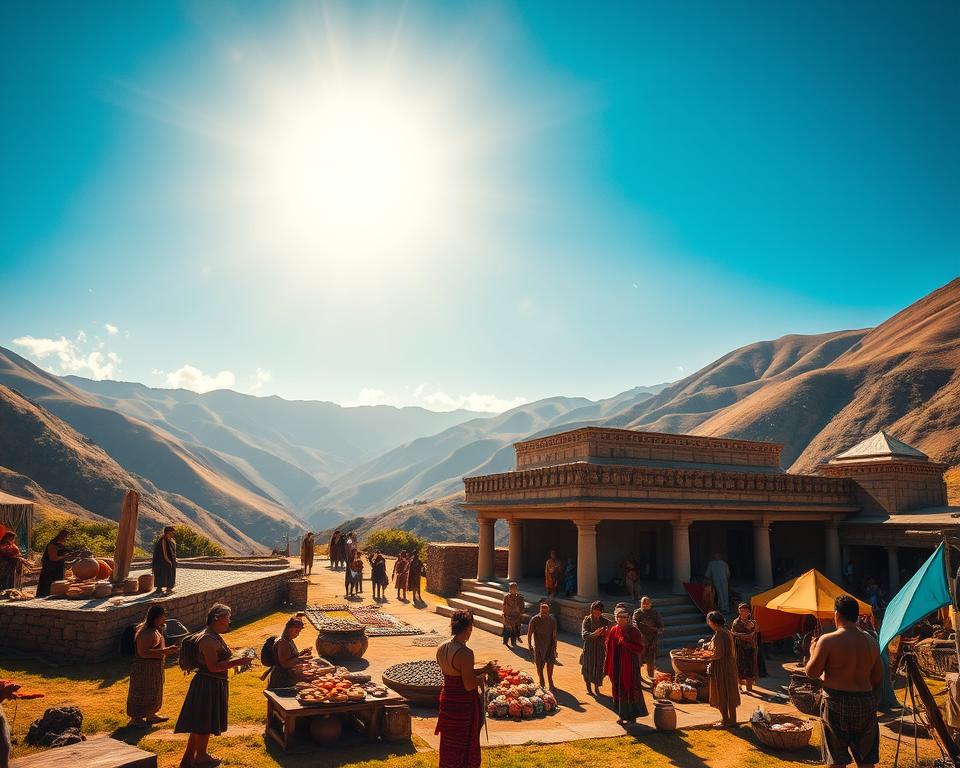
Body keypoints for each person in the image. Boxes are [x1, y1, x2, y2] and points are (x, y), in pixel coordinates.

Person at [805, 595, 882, 768]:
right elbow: (877, 677)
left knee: (837, 761)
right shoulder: (871, 642)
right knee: (866, 761)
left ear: (837, 614)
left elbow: (812, 672)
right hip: (865, 701)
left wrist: (812, 651)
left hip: (836, 703)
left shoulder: (828, 640)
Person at [175, 603, 249, 767]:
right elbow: (213, 667)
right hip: (207, 685)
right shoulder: (207, 639)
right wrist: (239, 662)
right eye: (227, 618)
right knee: (203, 722)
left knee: (201, 721)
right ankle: (201, 757)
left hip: (212, 683)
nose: (229, 621)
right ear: (217, 618)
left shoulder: (214, 635)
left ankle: (188, 758)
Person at [435, 610, 497, 768]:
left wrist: (483, 669)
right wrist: (481, 679)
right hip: (462, 704)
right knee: (465, 744)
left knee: (449, 744)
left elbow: (455, 673)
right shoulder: (466, 653)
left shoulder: (441, 647)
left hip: (447, 700)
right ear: (469, 628)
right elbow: (468, 684)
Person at [126, 604, 178, 726]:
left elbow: (158, 648)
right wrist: (164, 651)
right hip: (144, 669)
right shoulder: (145, 632)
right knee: (141, 692)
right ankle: (136, 719)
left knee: (154, 691)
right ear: (156, 617)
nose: (164, 619)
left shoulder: (155, 629)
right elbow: (143, 652)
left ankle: (151, 715)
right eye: (163, 617)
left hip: (154, 668)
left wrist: (168, 650)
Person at [604, 607, 648, 724]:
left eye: (624, 617)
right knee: (617, 688)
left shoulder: (634, 631)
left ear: (628, 618)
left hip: (629, 666)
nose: (622, 619)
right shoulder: (614, 629)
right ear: (616, 618)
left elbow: (639, 648)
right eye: (619, 617)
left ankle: (632, 716)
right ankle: (621, 715)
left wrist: (626, 644)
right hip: (617, 664)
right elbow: (609, 646)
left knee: (629, 688)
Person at [703, 610, 740, 728]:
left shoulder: (719, 634)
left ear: (711, 622)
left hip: (721, 667)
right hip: (729, 666)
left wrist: (707, 656)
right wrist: (709, 646)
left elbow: (718, 654)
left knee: (721, 692)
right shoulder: (726, 631)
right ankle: (732, 720)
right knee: (730, 692)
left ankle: (725, 720)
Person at [268, 615, 312, 689]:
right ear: (290, 629)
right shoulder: (283, 642)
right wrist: (302, 658)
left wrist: (302, 653)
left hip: (287, 677)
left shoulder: (289, 640)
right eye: (297, 631)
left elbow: (291, 657)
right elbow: (285, 664)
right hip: (281, 679)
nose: (298, 633)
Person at [580, 600, 610, 695]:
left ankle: (596, 687)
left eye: (599, 610)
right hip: (589, 647)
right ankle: (589, 688)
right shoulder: (587, 620)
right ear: (591, 610)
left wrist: (605, 633)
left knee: (599, 667)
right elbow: (584, 634)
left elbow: (610, 633)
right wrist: (594, 634)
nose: (596, 612)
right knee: (587, 667)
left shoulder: (605, 621)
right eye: (595, 609)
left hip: (600, 648)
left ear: (601, 611)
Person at [527, 600, 558, 690]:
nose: (543, 611)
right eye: (542, 609)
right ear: (540, 609)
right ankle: (542, 680)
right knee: (539, 665)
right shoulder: (534, 619)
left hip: (549, 645)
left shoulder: (552, 620)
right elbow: (529, 633)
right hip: (538, 646)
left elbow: (554, 636)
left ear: (548, 610)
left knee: (551, 662)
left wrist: (555, 648)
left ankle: (550, 681)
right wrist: (529, 645)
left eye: (545, 609)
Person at [632, 596, 663, 682]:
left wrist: (657, 630)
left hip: (652, 640)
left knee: (651, 662)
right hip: (640, 640)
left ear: (650, 604)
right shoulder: (637, 613)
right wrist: (639, 633)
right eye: (643, 603)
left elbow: (660, 627)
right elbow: (634, 624)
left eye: (647, 603)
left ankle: (651, 679)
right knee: (638, 661)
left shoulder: (655, 613)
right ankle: (637, 679)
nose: (645, 605)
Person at [731, 603, 759, 694]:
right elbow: (734, 633)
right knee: (739, 667)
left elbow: (753, 634)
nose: (743, 613)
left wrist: (739, 634)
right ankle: (739, 686)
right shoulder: (736, 622)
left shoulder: (752, 622)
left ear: (748, 612)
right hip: (739, 648)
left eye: (745, 611)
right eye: (741, 611)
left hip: (750, 648)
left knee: (750, 667)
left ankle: (749, 688)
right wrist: (743, 634)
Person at [36, 528, 71, 598]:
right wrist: (64, 556)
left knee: (58, 583)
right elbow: (53, 558)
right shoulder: (53, 544)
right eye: (66, 537)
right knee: (50, 583)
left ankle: (57, 594)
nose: (66, 538)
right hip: (51, 568)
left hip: (58, 568)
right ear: (61, 536)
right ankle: (47, 594)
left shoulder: (60, 544)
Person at [152, 526, 177, 595]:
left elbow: (174, 551)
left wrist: (174, 559)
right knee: (162, 572)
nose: (172, 534)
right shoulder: (163, 540)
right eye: (171, 532)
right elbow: (164, 551)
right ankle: (161, 588)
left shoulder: (171, 540)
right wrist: (168, 560)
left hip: (170, 559)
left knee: (171, 572)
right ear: (167, 532)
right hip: (161, 560)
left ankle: (168, 588)